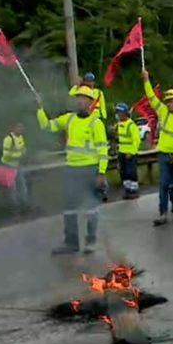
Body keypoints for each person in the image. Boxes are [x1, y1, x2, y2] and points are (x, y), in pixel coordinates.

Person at [37, 87, 108, 254]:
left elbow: (102, 150)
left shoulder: (96, 123)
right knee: (69, 207)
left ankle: (91, 241)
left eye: (84, 98)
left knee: (91, 207)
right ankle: (71, 242)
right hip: (72, 169)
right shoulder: (68, 119)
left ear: (91, 103)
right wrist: (40, 108)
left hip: (90, 169)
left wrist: (101, 173)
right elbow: (46, 126)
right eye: (78, 98)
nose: (80, 101)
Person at [141, 69, 173, 226]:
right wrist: (146, 81)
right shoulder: (164, 113)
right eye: (169, 101)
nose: (172, 103)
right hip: (164, 155)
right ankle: (163, 213)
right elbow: (151, 98)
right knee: (164, 184)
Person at [1, 122, 29, 212]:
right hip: (9, 165)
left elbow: (22, 148)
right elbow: (5, 155)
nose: (21, 129)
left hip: (18, 164)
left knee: (22, 185)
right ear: (14, 128)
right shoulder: (8, 139)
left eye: (22, 127)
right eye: (19, 127)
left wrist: (24, 153)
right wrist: (18, 155)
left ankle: (24, 204)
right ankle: (14, 206)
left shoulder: (21, 137)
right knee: (13, 187)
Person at [115, 103, 141, 199]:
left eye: (120, 112)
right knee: (123, 172)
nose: (118, 115)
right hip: (122, 152)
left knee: (131, 172)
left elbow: (136, 141)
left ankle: (134, 191)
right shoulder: (119, 125)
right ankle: (127, 190)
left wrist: (131, 152)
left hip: (130, 153)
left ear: (125, 113)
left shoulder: (131, 125)